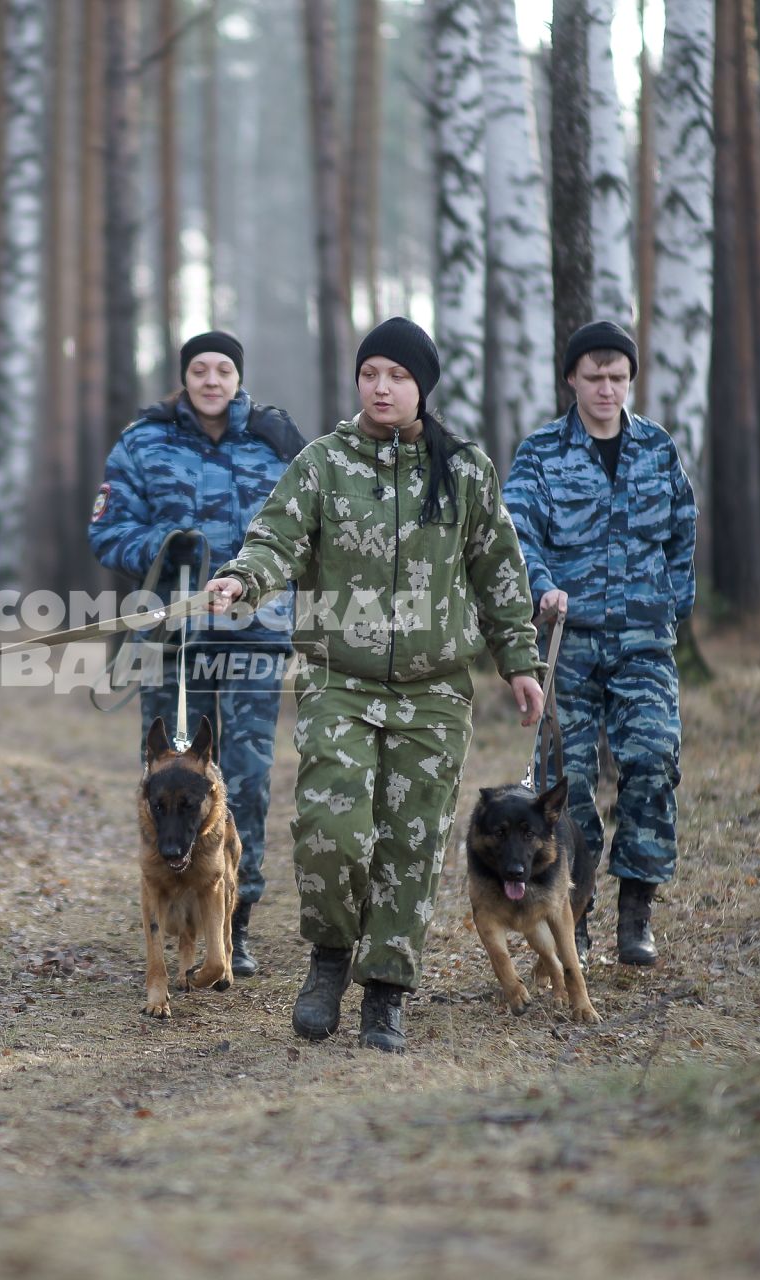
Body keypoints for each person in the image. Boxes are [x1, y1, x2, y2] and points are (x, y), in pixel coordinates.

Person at [205, 316, 544, 1051]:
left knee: (408, 845)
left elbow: (499, 572)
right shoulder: (325, 463)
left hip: (433, 689)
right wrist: (242, 579)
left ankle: (386, 991)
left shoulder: (466, 471)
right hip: (340, 681)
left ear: (422, 386)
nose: (381, 388)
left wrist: (521, 663)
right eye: (370, 374)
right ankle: (329, 961)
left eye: (396, 375)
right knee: (332, 832)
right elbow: (276, 537)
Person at [90, 330, 306, 979]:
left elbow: (306, 530)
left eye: (223, 370)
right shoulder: (143, 442)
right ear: (184, 378)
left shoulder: (276, 444)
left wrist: (256, 580)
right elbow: (106, 530)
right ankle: (169, 916)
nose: (212, 380)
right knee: (169, 786)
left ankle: (233, 922)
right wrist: (162, 546)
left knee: (242, 776)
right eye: (200, 370)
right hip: (169, 633)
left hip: (252, 633)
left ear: (239, 378)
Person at [501, 320, 696, 967]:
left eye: (618, 378)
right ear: (572, 381)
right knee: (566, 784)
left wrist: (673, 605)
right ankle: (571, 915)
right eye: (594, 377)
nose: (607, 389)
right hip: (569, 643)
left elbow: (682, 532)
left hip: (643, 642)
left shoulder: (657, 450)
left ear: (630, 381)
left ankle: (636, 907)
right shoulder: (541, 454)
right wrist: (544, 585)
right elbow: (516, 535)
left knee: (652, 760)